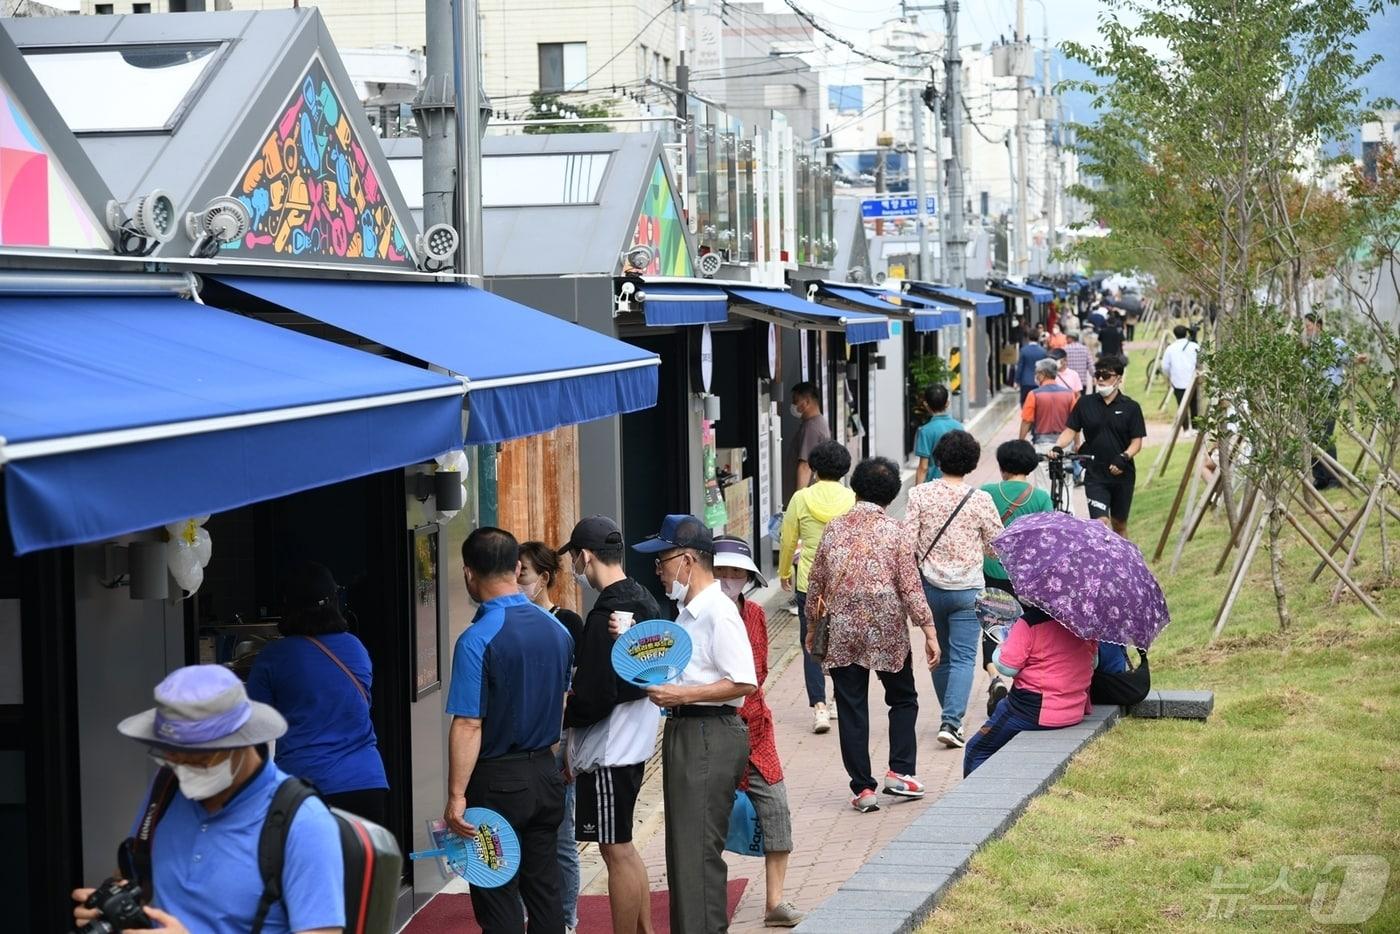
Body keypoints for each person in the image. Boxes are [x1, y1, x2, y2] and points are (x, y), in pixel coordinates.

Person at [73, 665, 344, 934]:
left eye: (197, 758)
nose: (181, 767)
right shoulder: (168, 785)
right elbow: (134, 876)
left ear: (242, 741)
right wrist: (112, 904)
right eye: (171, 754)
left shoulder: (303, 823)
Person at [632, 515, 757, 934]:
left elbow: (744, 681)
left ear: (687, 560)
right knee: (683, 851)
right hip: (689, 730)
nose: (659, 572)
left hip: (709, 731)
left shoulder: (717, 612)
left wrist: (681, 695)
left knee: (698, 852)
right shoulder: (689, 612)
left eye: (662, 561)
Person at [445, 527, 573, 934]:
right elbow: (563, 700)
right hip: (545, 773)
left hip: (497, 783)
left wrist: (456, 796)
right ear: (517, 568)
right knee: (544, 891)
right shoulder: (557, 630)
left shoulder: (476, 639)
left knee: (497, 893)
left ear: (468, 574)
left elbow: (468, 723)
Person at [806, 457, 940, 813]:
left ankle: (863, 790)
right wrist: (928, 630)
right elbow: (910, 587)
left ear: (856, 488)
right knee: (903, 699)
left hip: (843, 631)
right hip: (888, 632)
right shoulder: (896, 532)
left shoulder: (833, 529)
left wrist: (811, 628)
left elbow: (815, 583)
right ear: (892, 494)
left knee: (851, 708)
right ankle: (901, 771)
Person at [558, 517, 661, 934]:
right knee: (624, 846)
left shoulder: (605, 617)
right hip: (635, 742)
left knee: (613, 849)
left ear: (584, 557)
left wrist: (564, 710)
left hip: (608, 750)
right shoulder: (645, 601)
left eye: (575, 561)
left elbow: (595, 697)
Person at [248, 561, 389, 826]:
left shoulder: (274, 657)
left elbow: (256, 729)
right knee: (363, 868)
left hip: (305, 787)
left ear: (287, 606)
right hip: (366, 784)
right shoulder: (355, 648)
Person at [712, 536, 804, 928]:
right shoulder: (694, 616)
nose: (730, 577)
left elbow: (760, 669)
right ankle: (706, 900)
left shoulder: (755, 615)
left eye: (738, 571)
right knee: (705, 820)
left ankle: (775, 903)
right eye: (722, 570)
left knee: (776, 807)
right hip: (712, 730)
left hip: (756, 728)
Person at [904, 430, 1004, 749]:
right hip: (968, 589)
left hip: (929, 588)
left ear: (938, 459)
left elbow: (907, 543)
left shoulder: (919, 495)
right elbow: (995, 548)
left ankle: (949, 716)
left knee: (939, 654)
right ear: (972, 462)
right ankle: (952, 721)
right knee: (963, 658)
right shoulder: (981, 499)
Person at [517, 541, 585, 934]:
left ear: (543, 579)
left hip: (556, 744)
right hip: (518, 747)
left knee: (561, 840)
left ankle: (567, 920)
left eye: (522, 573)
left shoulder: (568, 624)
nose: (516, 580)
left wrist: (568, 748)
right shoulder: (508, 624)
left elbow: (573, 693)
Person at [962, 605, 1097, 775]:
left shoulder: (1029, 622)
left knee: (976, 749)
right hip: (1074, 710)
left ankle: (977, 799)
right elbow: (1094, 663)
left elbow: (1007, 668)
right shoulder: (1084, 622)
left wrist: (1000, 648)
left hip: (1031, 711)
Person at [778, 440, 855, 734]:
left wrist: (784, 571)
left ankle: (819, 707)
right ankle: (837, 699)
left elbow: (788, 540)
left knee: (810, 643)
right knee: (841, 641)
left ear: (814, 468)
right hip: (843, 580)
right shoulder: (851, 498)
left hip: (809, 580)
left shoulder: (801, 498)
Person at [978, 441, 1054, 714]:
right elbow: (1047, 538)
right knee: (1026, 626)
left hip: (993, 570)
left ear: (1001, 466)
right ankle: (1021, 679)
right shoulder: (1041, 497)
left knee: (992, 624)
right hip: (1027, 575)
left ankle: (995, 677)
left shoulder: (986, 492)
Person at [1052, 354, 1148, 536]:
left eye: (1107, 376)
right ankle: (1102, 562)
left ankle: (1122, 562)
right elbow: (1070, 430)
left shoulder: (1131, 407)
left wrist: (1124, 457)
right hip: (1095, 474)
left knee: (1119, 525)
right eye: (1098, 375)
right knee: (1100, 523)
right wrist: (1058, 447)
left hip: (1122, 474)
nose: (1101, 380)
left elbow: (1137, 442)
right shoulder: (1085, 403)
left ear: (1119, 378)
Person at [1020, 359, 1079, 492]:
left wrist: (1021, 441)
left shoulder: (1034, 394)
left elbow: (1026, 421)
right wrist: (1077, 443)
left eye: (1037, 373)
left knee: (1043, 485)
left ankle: (1046, 512)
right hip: (1065, 445)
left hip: (1042, 446)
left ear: (1042, 374)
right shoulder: (1069, 394)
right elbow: (1076, 423)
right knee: (1066, 485)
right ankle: (1067, 512)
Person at [913, 384, 963, 483]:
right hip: (956, 484)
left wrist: (917, 492)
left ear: (926, 405)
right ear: (947, 403)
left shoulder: (925, 431)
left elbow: (923, 467)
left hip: (933, 485)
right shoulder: (959, 427)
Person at [789, 381, 830, 490]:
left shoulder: (811, 428)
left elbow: (805, 466)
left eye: (796, 401)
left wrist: (798, 499)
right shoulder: (818, 422)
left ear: (806, 402)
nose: (793, 405)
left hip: (809, 493)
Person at [1159, 325, 1199, 431]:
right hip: (1193, 380)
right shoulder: (1194, 346)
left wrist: (1170, 376)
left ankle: (1185, 429)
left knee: (1181, 406)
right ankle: (1195, 428)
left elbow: (1165, 366)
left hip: (1178, 381)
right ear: (1186, 333)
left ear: (1175, 334)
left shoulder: (1170, 348)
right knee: (1194, 405)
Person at [1015, 334, 1049, 404]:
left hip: (1025, 382)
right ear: (1038, 338)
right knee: (1039, 403)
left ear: (1028, 338)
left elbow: (1020, 367)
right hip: (1039, 382)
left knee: (1025, 403)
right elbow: (1046, 367)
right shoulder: (1043, 351)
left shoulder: (1023, 350)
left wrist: (1016, 381)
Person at [1062, 329, 1094, 395]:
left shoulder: (1064, 349)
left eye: (1067, 338)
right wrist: (1095, 376)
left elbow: (1060, 365)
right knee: (1081, 403)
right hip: (1081, 382)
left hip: (1068, 382)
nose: (1066, 340)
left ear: (1070, 338)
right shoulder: (1085, 349)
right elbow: (1091, 365)